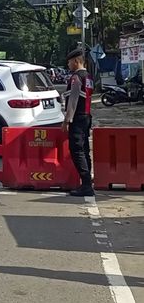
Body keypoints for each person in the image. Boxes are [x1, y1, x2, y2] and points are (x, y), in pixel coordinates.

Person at [62, 47, 95, 197]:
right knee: (85, 150)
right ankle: (87, 182)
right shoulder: (88, 76)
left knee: (77, 151)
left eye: (69, 62)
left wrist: (67, 120)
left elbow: (73, 101)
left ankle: (86, 184)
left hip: (78, 118)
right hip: (86, 116)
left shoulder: (76, 77)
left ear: (76, 61)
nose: (68, 65)